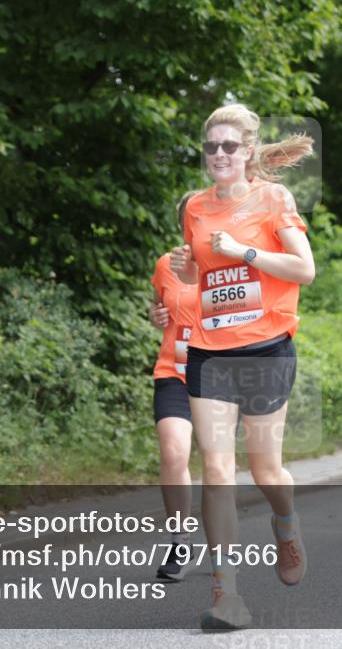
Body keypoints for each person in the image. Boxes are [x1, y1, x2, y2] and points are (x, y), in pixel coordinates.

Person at [170, 103, 315, 631]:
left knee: (265, 470)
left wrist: (244, 252)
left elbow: (305, 268)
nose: (220, 155)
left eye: (230, 146)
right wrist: (189, 268)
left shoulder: (273, 197)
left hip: (265, 349)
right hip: (210, 351)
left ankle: (285, 521)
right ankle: (225, 593)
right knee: (214, 469)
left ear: (249, 150)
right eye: (212, 147)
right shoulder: (194, 206)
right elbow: (200, 279)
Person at [148, 191, 202, 582]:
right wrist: (156, 315)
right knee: (173, 453)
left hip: (221, 373)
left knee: (218, 466)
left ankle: (222, 544)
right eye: (189, 219)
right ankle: (180, 541)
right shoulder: (166, 264)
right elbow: (159, 307)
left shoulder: (230, 263)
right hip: (174, 370)